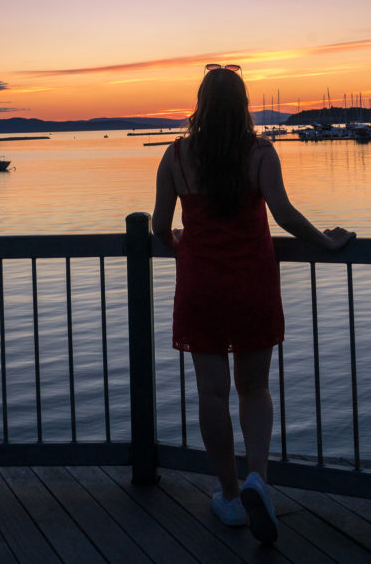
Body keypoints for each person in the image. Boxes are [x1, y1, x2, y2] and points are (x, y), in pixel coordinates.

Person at [152, 64, 355, 543]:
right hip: (251, 282)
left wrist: (179, 240)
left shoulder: (176, 156)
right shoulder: (261, 153)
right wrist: (325, 242)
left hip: (201, 283)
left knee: (212, 393)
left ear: (201, 105)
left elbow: (160, 226)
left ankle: (227, 495)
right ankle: (257, 479)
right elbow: (283, 214)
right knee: (254, 387)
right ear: (242, 105)